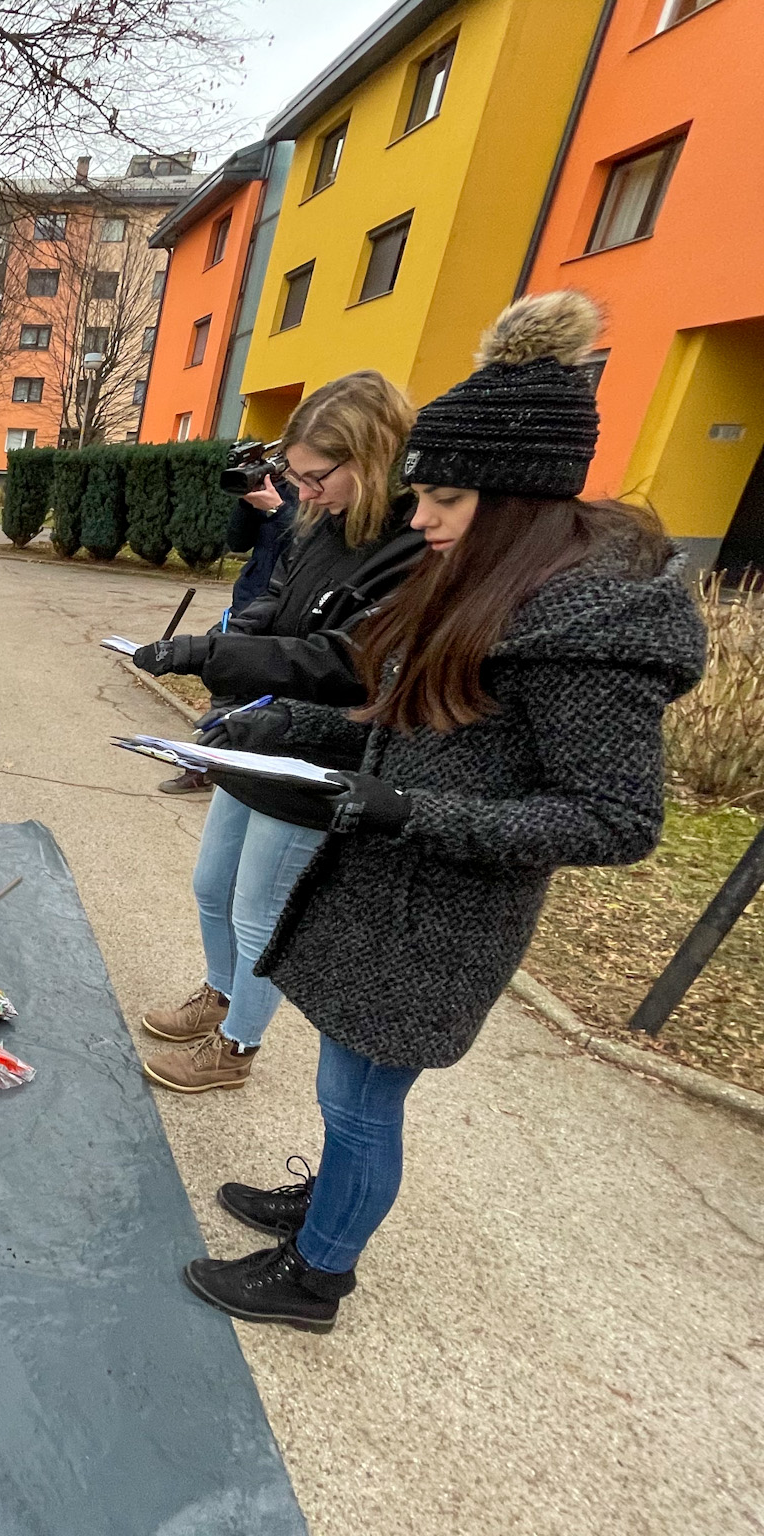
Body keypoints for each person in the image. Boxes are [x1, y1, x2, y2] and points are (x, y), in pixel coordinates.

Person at [181, 291, 705, 1331]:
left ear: (513, 504)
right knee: (344, 1095)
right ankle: (321, 1207)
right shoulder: (475, 586)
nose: (416, 517)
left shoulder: (587, 628)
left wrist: (403, 815)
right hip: (379, 894)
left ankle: (315, 1277)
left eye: (445, 500)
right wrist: (283, 732)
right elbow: (411, 729)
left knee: (359, 1104)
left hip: (437, 920)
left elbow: (612, 820)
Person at [130, 371, 425, 1094]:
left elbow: (343, 660)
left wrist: (215, 656)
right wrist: (223, 641)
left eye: (315, 476)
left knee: (262, 904)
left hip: (319, 746)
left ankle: (236, 1048)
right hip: (259, 729)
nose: (304, 491)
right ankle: (222, 991)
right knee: (213, 885)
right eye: (293, 476)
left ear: (371, 457)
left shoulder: (412, 545)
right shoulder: (325, 519)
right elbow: (273, 600)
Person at [156, 474, 302, 797]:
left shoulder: (312, 496)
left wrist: (279, 511)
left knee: (251, 695)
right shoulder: (277, 487)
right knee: (224, 682)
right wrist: (246, 502)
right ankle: (205, 768)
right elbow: (237, 542)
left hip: (283, 611)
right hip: (248, 601)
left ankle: (222, 769)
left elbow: (306, 547)